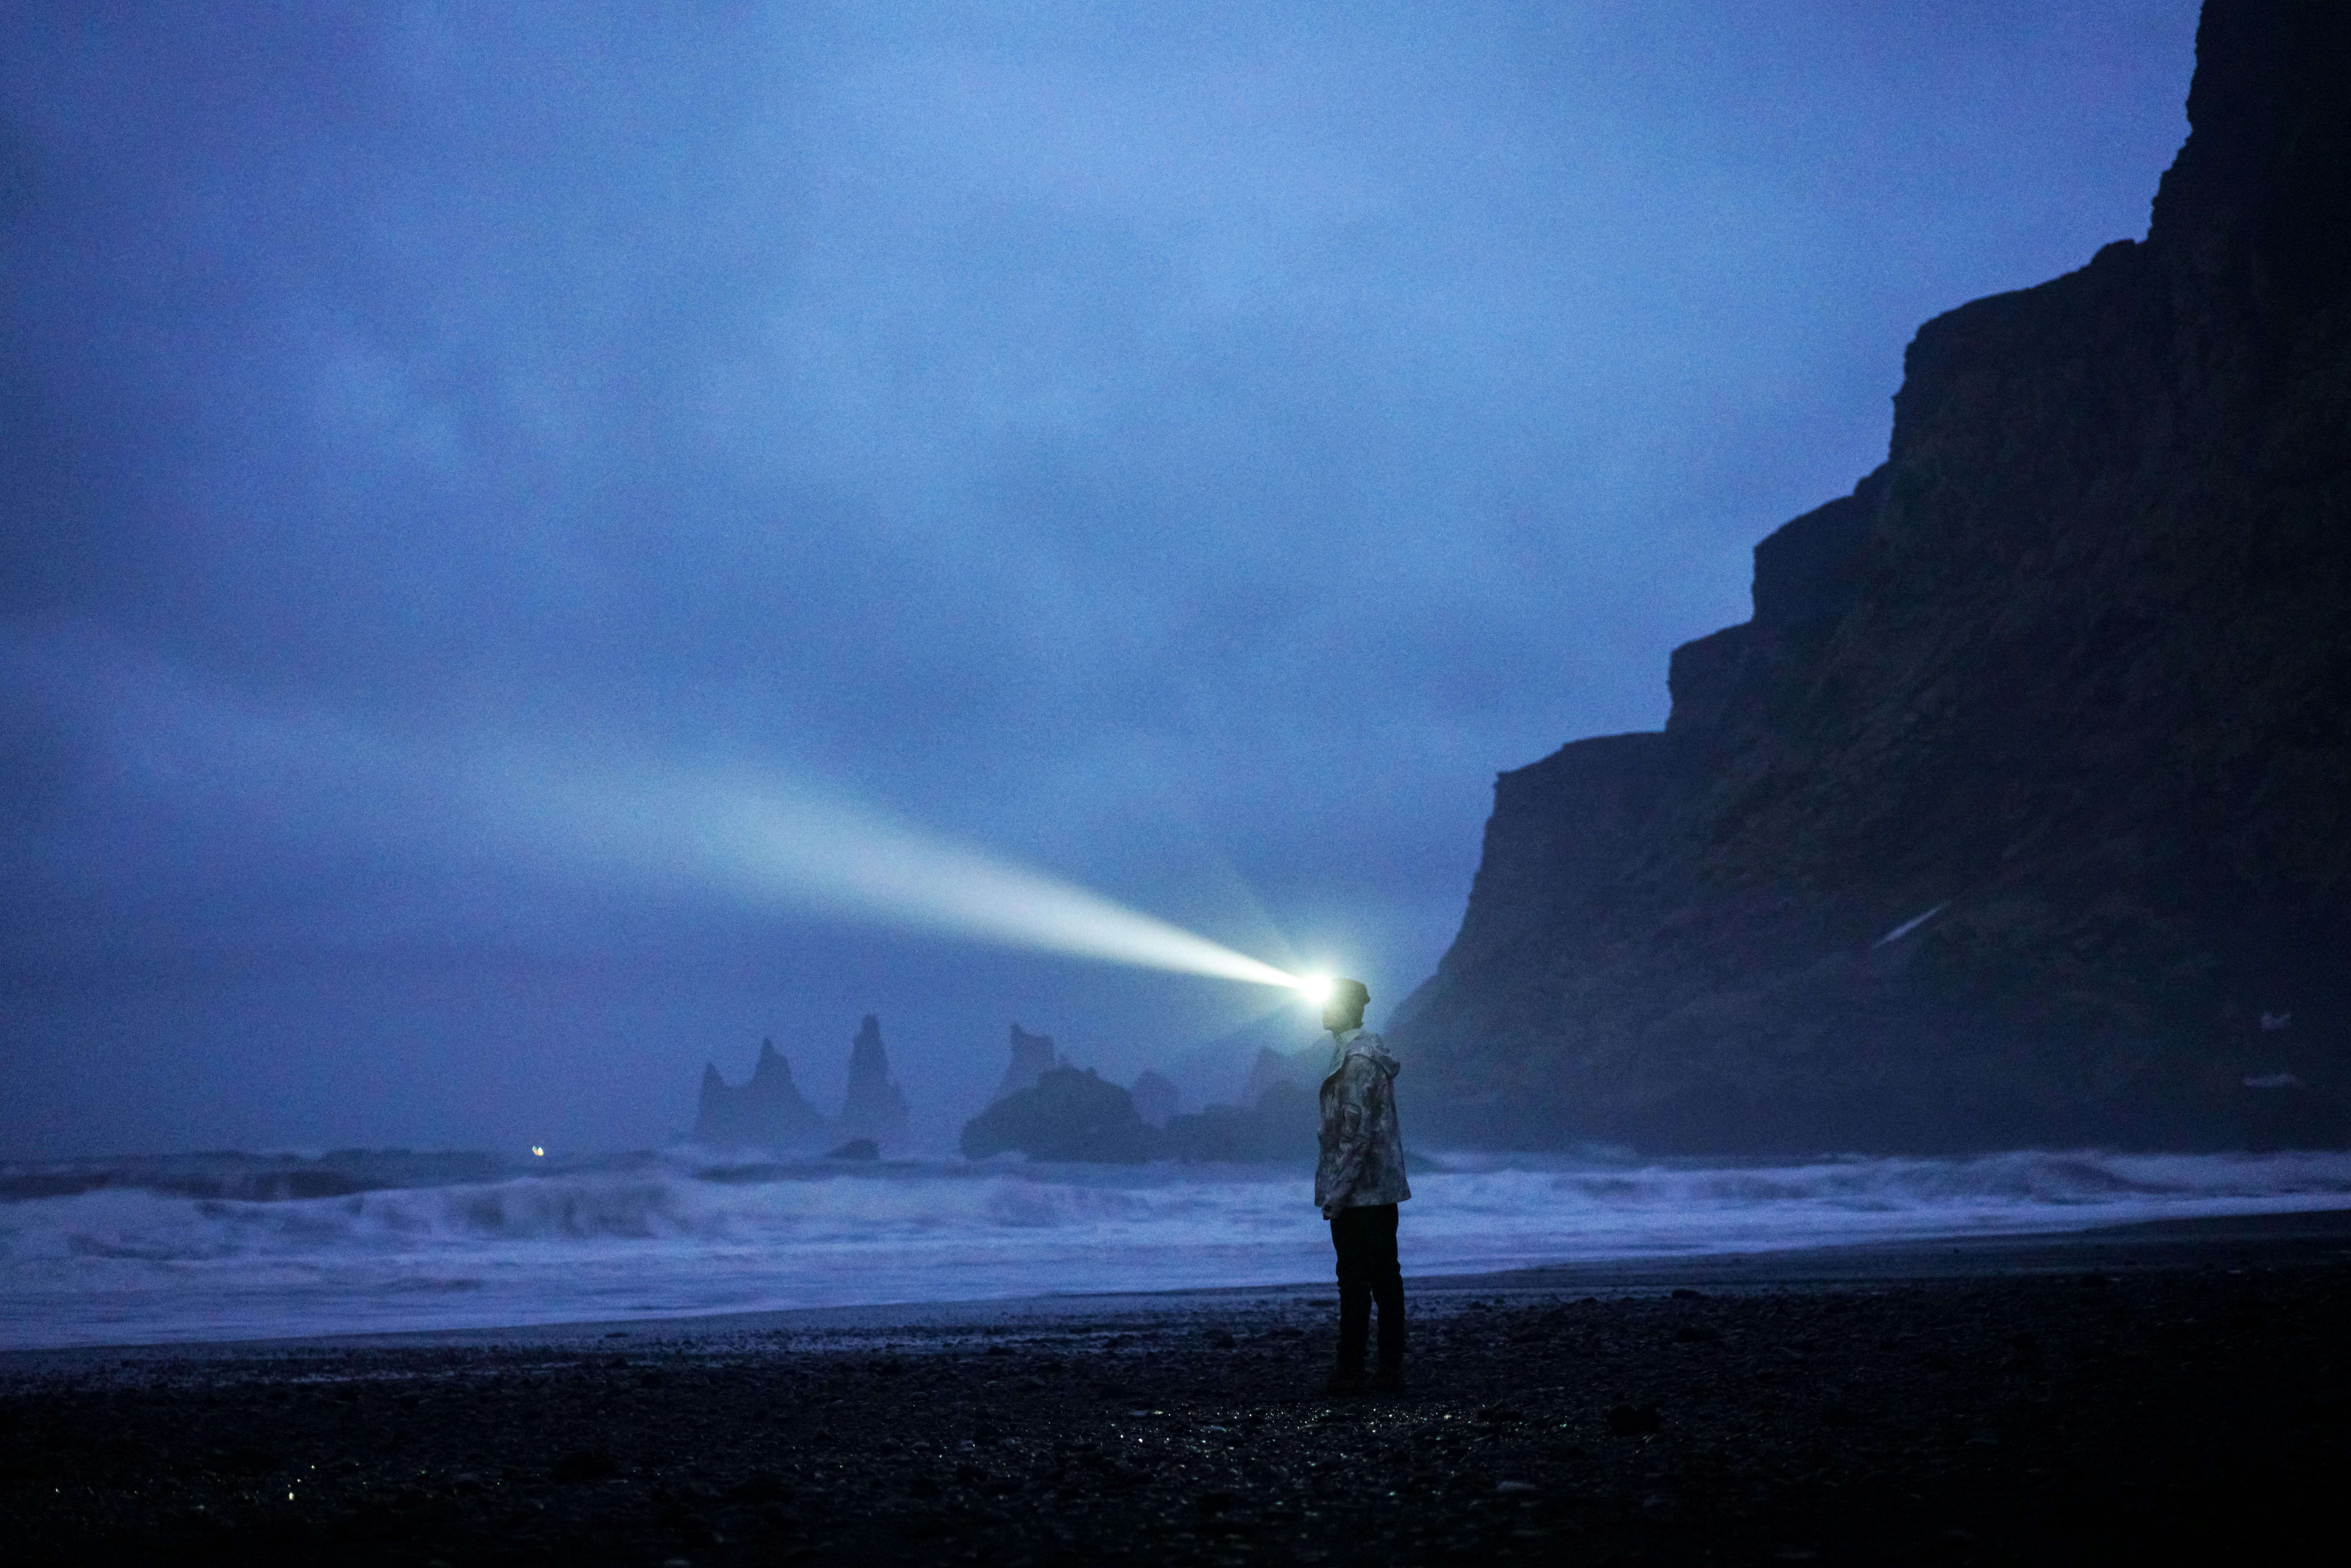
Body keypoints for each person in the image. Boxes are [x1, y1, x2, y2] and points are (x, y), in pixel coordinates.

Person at [1314, 977, 1409, 1394]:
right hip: (1379, 1188)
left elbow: (1354, 1136)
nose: (1322, 1008)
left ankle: (1352, 1369)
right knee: (1385, 1278)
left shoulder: (1354, 1062)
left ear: (1348, 1009)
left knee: (1356, 1281)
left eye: (1330, 1002)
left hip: (1360, 1194)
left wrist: (1336, 1195)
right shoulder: (1362, 1055)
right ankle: (1387, 1369)